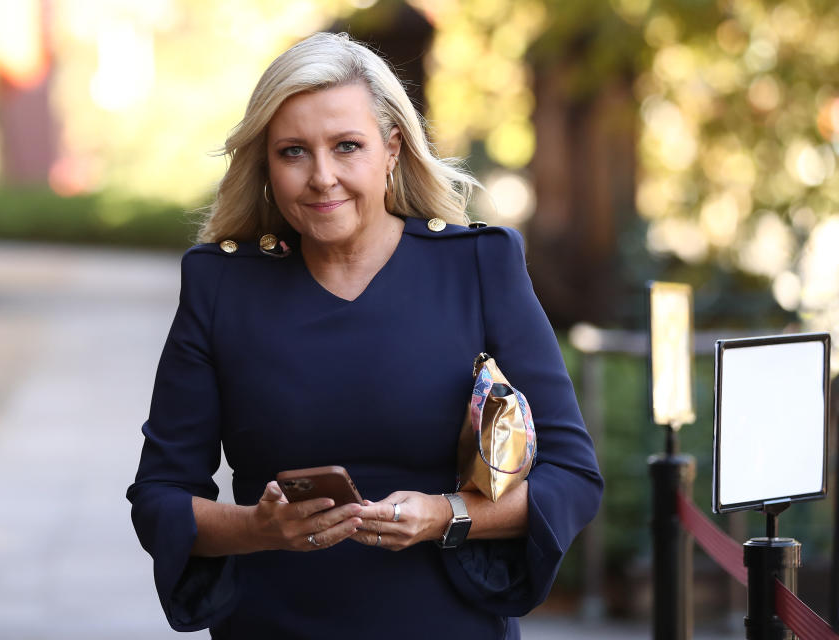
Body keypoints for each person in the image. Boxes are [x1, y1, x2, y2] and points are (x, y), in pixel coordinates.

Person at [127, 31, 602, 638]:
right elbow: (160, 496)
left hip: (447, 624)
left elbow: (573, 478)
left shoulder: (480, 265)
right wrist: (258, 529)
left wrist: (446, 515)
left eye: (347, 146)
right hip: (272, 624)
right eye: (293, 152)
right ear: (266, 164)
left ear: (392, 149)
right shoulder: (219, 284)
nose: (322, 176)